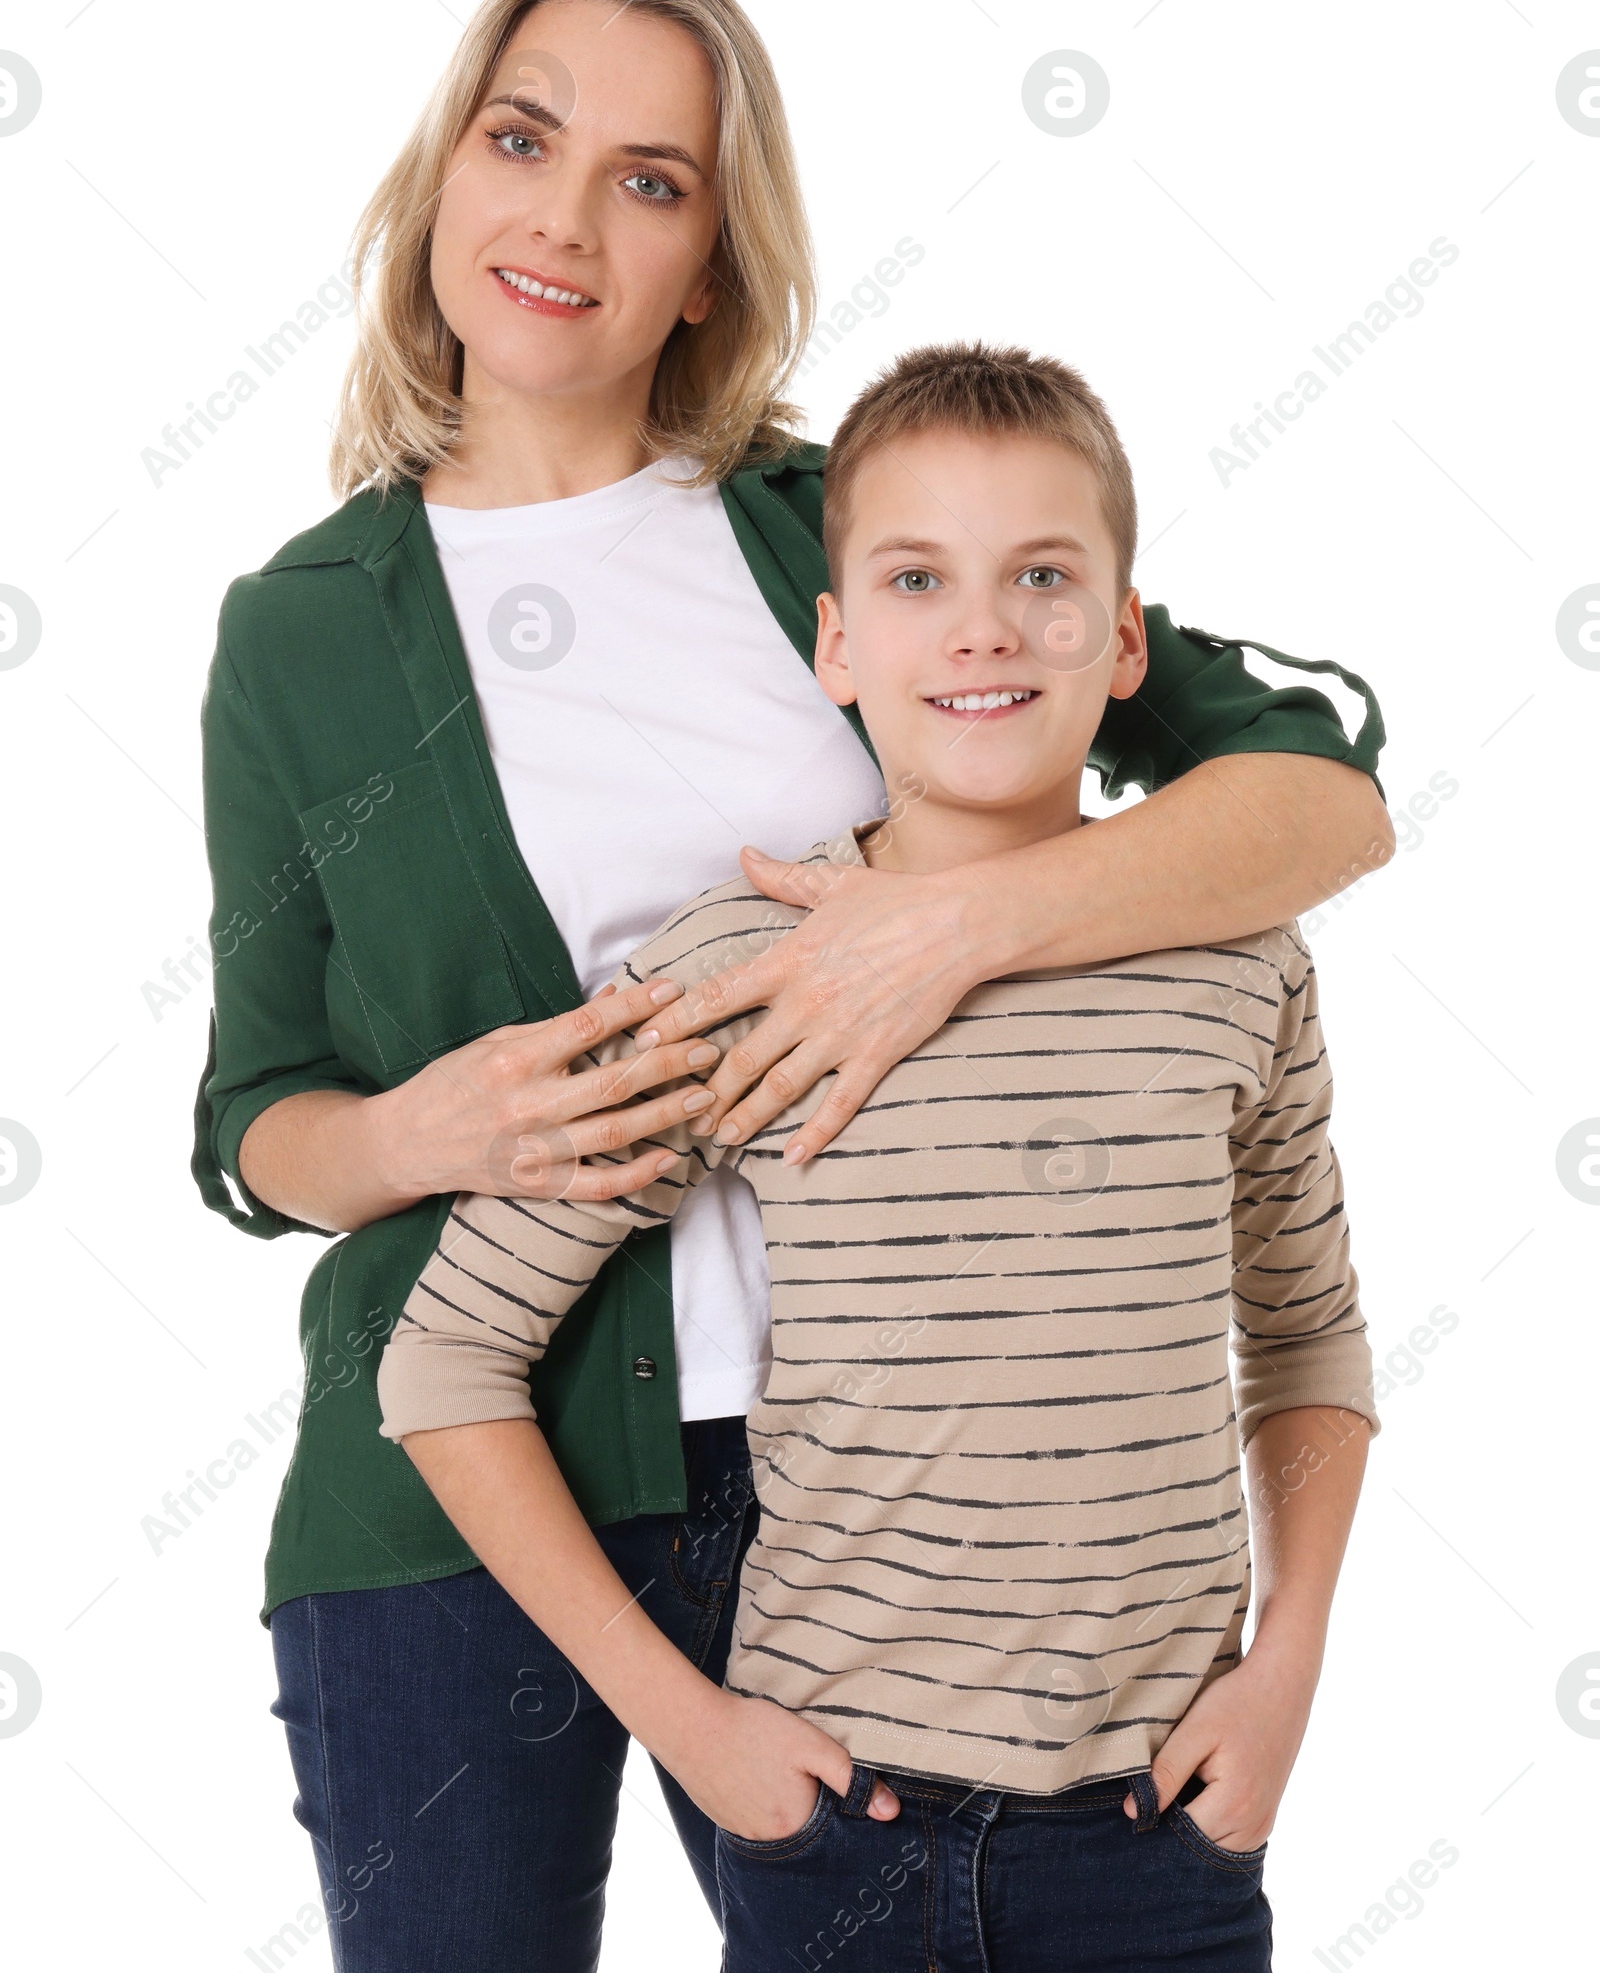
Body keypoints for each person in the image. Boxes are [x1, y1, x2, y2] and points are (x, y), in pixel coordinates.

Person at [194, 0, 1391, 1971]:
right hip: (446, 1507)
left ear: (710, 264)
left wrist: (959, 922)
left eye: (650, 180)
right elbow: (249, 1127)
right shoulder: (300, 628)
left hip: (829, 1497)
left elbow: (1314, 787)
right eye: (523, 137)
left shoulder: (844, 525)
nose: (567, 218)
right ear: (443, 174)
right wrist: (418, 1128)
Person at [376, 342, 1380, 1972]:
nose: (984, 630)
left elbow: (1309, 1335)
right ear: (835, 645)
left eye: (1043, 578)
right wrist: (697, 1739)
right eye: (918, 579)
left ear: (1125, 639)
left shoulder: (1234, 953)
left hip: (1163, 1838)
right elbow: (445, 1366)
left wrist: (1292, 1667)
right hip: (842, 1838)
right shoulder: (743, 964)